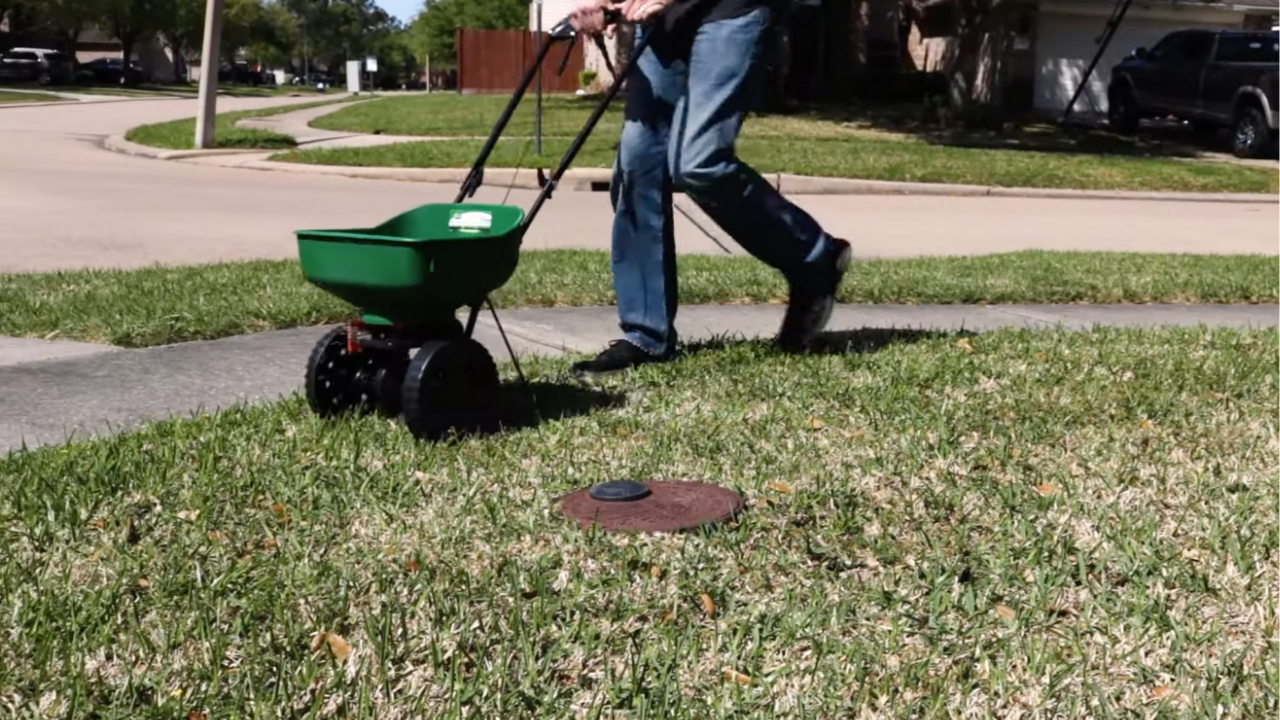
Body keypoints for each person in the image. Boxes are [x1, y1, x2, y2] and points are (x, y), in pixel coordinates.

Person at [567, 0, 851, 377]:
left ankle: (815, 256)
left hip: (730, 12)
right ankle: (645, 334)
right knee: (638, 165)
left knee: (699, 163)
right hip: (660, 26)